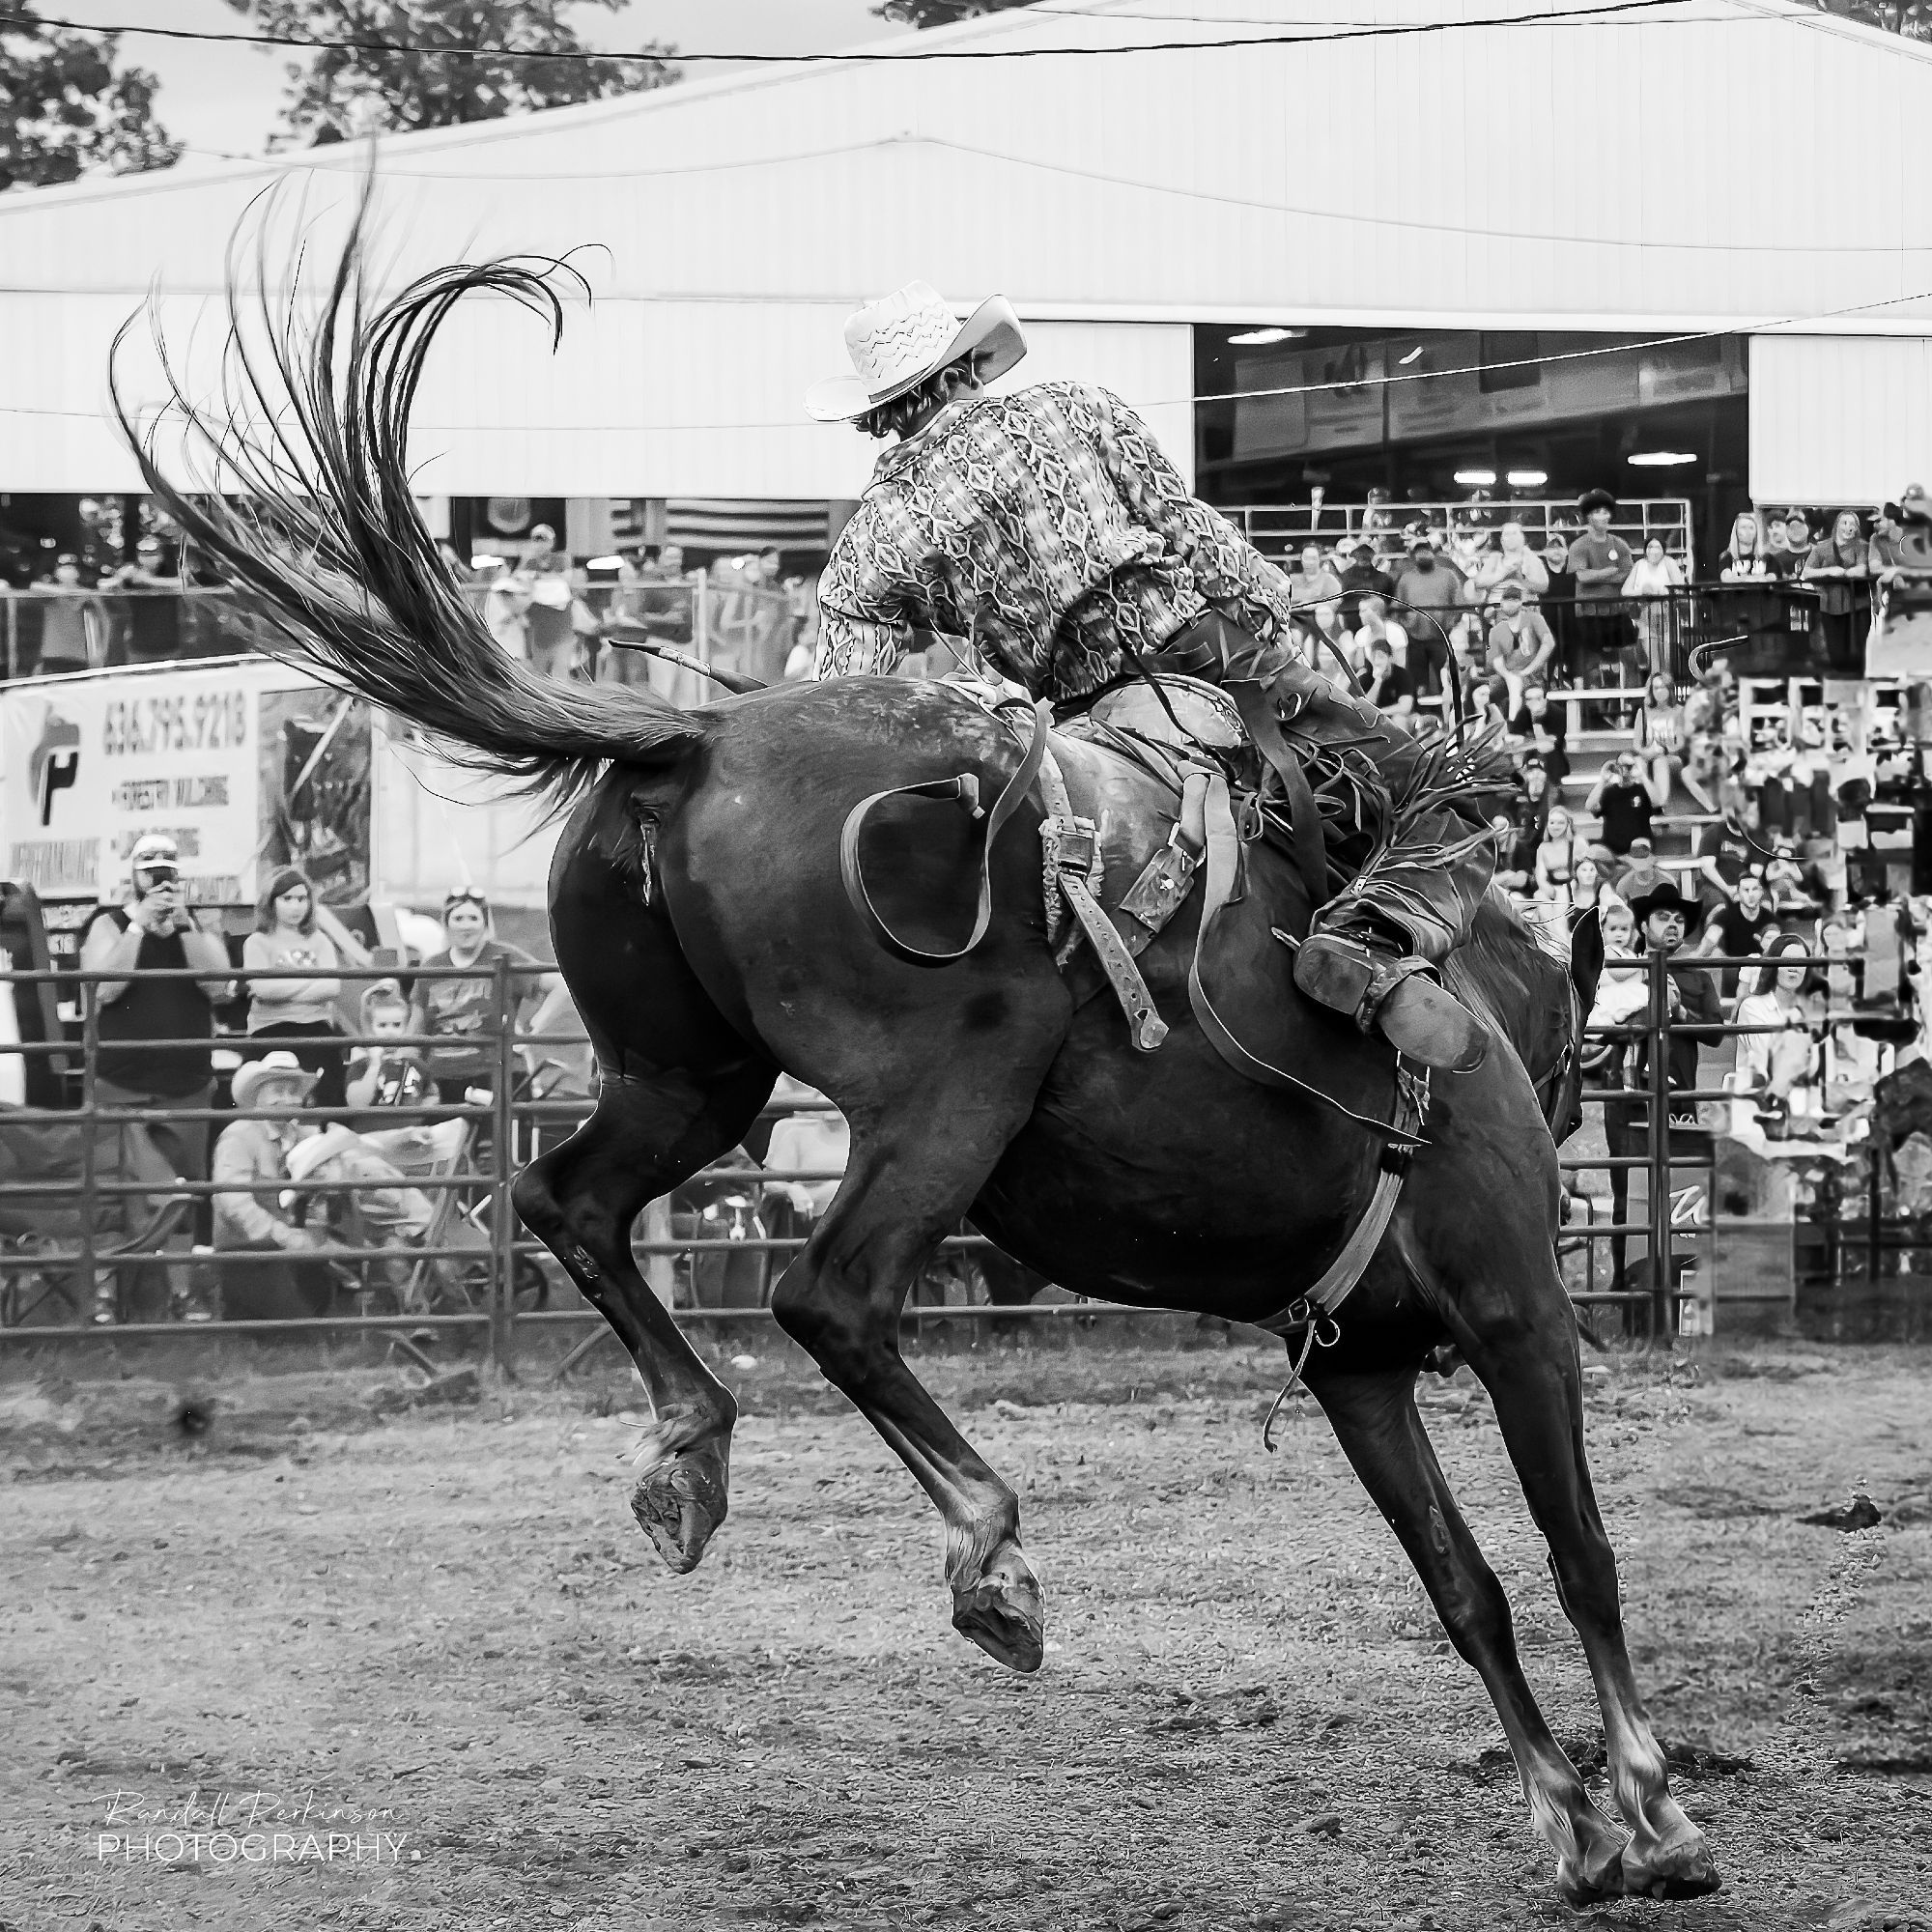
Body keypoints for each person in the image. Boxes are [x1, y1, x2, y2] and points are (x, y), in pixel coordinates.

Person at [808, 280, 1508, 1068]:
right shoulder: (1075, 409)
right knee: (1459, 788)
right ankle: (1369, 936)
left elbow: (845, 704)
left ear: (882, 407)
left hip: (1070, 722)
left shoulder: (870, 540)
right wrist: (1269, 604)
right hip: (1210, 654)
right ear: (965, 365)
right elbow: (1191, 530)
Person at [213, 1051, 435, 1319]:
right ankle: (430, 1235)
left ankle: (423, 1237)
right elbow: (233, 1203)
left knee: (363, 1168)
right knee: (299, 1326)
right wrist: (288, 1237)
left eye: (293, 1091)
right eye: (278, 1091)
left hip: (299, 1243)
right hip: (249, 1250)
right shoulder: (239, 1136)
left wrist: (406, 1135)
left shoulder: (301, 1133)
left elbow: (357, 1147)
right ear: (257, 1095)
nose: (288, 1099)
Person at [78, 831, 234, 1209]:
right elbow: (103, 990)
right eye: (151, 874)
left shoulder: (194, 927)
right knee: (122, 1193)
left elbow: (219, 987)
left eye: (167, 873)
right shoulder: (107, 924)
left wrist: (182, 927)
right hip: (121, 1085)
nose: (160, 882)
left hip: (187, 1086)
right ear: (135, 877)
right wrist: (138, 926)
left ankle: (179, 1261)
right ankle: (130, 1265)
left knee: (182, 1197)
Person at [409, 889, 573, 1108]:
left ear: (485, 923)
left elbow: (562, 986)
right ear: (446, 924)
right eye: (458, 918)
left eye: (473, 918)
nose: (466, 925)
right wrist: (403, 1067)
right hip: (441, 1079)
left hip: (495, 1074)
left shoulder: (504, 957)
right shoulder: (431, 966)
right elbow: (415, 1031)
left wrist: (533, 1028)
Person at [241, 866, 353, 1110]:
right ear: (271, 902)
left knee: (325, 1100)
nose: (295, 906)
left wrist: (282, 985)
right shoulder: (257, 942)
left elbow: (332, 987)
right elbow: (263, 990)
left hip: (316, 1028)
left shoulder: (320, 940)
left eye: (301, 899)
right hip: (270, 1030)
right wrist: (311, 983)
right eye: (287, 899)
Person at [1733, 934, 1822, 1117]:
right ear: (1773, 966)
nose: (1793, 968)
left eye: (1800, 962)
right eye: (1786, 961)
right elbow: (1770, 1059)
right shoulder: (1752, 1007)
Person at [1567, 490, 1636, 689]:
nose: (1604, 516)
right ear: (1589, 516)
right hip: (1589, 613)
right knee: (1591, 664)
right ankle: (1593, 711)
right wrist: (1609, 572)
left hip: (1618, 610)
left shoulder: (1620, 544)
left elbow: (1628, 573)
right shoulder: (1579, 546)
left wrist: (1596, 575)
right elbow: (1582, 576)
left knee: (1629, 658)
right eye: (1598, 511)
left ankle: (1634, 705)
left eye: (1606, 511)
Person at [1391, 536, 1462, 718]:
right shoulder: (1406, 578)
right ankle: (1421, 718)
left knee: (1444, 679)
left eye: (1426, 551)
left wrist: (1450, 623)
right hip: (1415, 639)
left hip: (1442, 637)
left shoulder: (1448, 575)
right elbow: (1397, 608)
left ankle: (1446, 717)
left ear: (1433, 553)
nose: (1424, 555)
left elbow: (1459, 604)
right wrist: (1407, 624)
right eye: (1419, 552)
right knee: (1418, 682)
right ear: (1414, 556)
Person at [1698, 866, 1779, 1002]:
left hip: (1759, 969)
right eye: (1746, 890)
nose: (1751, 894)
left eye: (1755, 889)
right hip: (1731, 969)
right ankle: (1716, 1008)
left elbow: (1776, 943)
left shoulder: (1769, 919)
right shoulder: (1725, 915)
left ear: (1761, 892)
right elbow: (1708, 942)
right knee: (1716, 954)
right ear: (1738, 893)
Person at [1801, 508, 1870, 667]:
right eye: (1844, 522)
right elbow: (1807, 572)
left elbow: (1861, 569)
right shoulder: (1821, 548)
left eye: (1852, 524)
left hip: (1857, 605)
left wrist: (1845, 573)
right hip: (1829, 604)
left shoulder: (1862, 546)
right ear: (1836, 526)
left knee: (1858, 651)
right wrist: (1829, 571)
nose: (1848, 527)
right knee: (1835, 650)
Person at [1634, 670, 1708, 810]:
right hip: (1648, 755)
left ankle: (1660, 805)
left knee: (1659, 762)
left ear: (1669, 689)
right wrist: (1647, 752)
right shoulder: (1643, 712)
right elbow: (1636, 745)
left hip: (1672, 757)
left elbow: (1680, 743)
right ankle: (1641, 807)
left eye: (1663, 687)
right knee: (1638, 763)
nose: (1659, 691)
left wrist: (1663, 750)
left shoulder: (1679, 711)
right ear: (1651, 690)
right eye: (1656, 688)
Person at [1695, 781, 1774, 911]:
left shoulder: (1760, 837)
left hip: (1748, 885)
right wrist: (1727, 889)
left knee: (1765, 906)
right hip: (1715, 887)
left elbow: (1755, 871)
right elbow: (1707, 868)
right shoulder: (1712, 832)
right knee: (1718, 909)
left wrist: (1741, 891)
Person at [1485, 582, 1555, 717]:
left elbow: (1549, 644)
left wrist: (1527, 670)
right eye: (1507, 600)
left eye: (1515, 599)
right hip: (1504, 676)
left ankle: (1514, 723)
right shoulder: (1496, 631)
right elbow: (1495, 662)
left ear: (1521, 602)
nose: (1511, 603)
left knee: (1526, 687)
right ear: (1501, 603)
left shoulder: (1534, 619)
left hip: (1534, 675)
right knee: (1482, 690)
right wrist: (1509, 675)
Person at [27, 554, 106, 674]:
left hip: (78, 657)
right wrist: (65, 592)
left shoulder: (87, 596)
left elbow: (103, 620)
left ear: (78, 571)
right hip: (52, 655)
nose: (67, 571)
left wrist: (100, 651)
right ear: (56, 571)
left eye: (71, 567)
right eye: (63, 567)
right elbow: (34, 587)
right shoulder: (50, 593)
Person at [1622, 537, 1686, 681]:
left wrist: (1660, 592)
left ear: (1663, 550)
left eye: (1658, 547)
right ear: (1645, 550)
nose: (1654, 550)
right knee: (1654, 664)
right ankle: (1654, 695)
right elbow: (1625, 591)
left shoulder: (1669, 563)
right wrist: (1642, 593)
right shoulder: (1640, 565)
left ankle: (1668, 695)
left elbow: (1680, 589)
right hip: (1646, 616)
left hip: (1667, 615)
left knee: (1667, 663)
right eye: (1650, 547)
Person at [1586, 750, 1664, 856]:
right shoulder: (1609, 791)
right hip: (1613, 851)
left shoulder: (1643, 790)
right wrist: (1603, 780)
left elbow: (1657, 802)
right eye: (1621, 765)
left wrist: (1642, 775)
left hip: (1640, 852)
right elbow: (1590, 806)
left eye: (1629, 766)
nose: (1625, 769)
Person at [1471, 520, 1549, 609]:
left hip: (1525, 610)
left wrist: (1521, 579)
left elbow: (1543, 587)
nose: (1511, 537)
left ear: (1522, 538)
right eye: (1507, 534)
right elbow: (1479, 583)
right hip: (1497, 610)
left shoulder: (1531, 559)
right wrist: (1505, 573)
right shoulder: (1495, 559)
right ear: (1502, 540)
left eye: (1514, 533)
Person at [1511, 681, 1568, 784]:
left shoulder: (1558, 713)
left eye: (1538, 698)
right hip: (1529, 753)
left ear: (1545, 700)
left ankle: (1552, 790)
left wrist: (1536, 720)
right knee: (1515, 758)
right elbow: (1514, 740)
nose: (1534, 702)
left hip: (1552, 755)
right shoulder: (1523, 713)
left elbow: (1546, 747)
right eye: (1529, 699)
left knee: (1550, 757)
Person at [1287, 541, 1344, 642]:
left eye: (1313, 558)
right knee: (1294, 634)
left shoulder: (1328, 579)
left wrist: (1313, 605)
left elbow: (1337, 600)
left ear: (1319, 560)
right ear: (1301, 559)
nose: (1309, 562)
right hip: (1294, 618)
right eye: (1306, 558)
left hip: (1318, 619)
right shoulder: (1292, 579)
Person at [1361, 632, 1416, 726]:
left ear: (1390, 658)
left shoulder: (1402, 675)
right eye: (1373, 657)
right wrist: (1378, 681)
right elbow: (1367, 708)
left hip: (1405, 717)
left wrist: (1380, 712)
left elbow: (1405, 707)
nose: (1377, 662)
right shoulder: (1366, 676)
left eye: (1381, 657)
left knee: (1398, 719)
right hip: (1377, 719)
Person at [1335, 540, 1394, 630]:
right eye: (1360, 554)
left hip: (1377, 619)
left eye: (1367, 554)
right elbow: (1339, 600)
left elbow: (1390, 601)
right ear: (1355, 555)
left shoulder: (1385, 579)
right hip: (1351, 618)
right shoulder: (1345, 576)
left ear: (1372, 556)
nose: (1363, 556)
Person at [1534, 805, 1579, 901]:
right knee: (1539, 895)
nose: (1555, 826)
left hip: (1575, 888)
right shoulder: (1543, 847)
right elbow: (1541, 877)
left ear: (1568, 824)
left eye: (1560, 823)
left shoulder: (1578, 842)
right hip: (1553, 889)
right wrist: (1549, 890)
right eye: (1552, 822)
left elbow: (1585, 870)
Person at [1718, 512, 1769, 582]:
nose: (1748, 531)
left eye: (1751, 528)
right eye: (1743, 527)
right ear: (1736, 531)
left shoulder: (1767, 558)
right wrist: (1756, 578)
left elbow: (1773, 578)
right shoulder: (1727, 558)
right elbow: (1727, 579)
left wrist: (1744, 578)